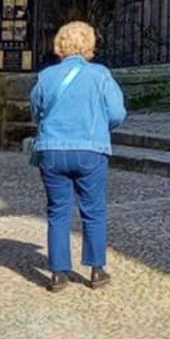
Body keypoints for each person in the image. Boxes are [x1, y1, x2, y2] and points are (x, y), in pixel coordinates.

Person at [30, 21, 126, 292]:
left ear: (60, 45)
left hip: (52, 150)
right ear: (90, 45)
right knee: (93, 210)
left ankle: (58, 272)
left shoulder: (46, 76)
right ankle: (96, 269)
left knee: (58, 211)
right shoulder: (100, 75)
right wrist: (100, 128)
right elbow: (117, 112)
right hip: (90, 148)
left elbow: (36, 110)